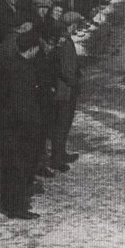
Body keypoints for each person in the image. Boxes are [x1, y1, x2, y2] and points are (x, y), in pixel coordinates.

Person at [0, 30, 44, 219]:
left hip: (5, 124)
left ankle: (9, 202)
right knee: (19, 167)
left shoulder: (8, 64)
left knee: (10, 165)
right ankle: (17, 207)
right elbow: (22, 104)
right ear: (32, 49)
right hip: (19, 126)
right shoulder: (23, 71)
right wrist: (32, 126)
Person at [49, 12, 83, 172]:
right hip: (65, 90)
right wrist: (75, 81)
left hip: (63, 88)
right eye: (76, 24)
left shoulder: (62, 39)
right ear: (72, 24)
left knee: (62, 124)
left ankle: (60, 153)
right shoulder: (65, 42)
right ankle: (56, 159)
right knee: (61, 124)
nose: (77, 27)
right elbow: (65, 68)